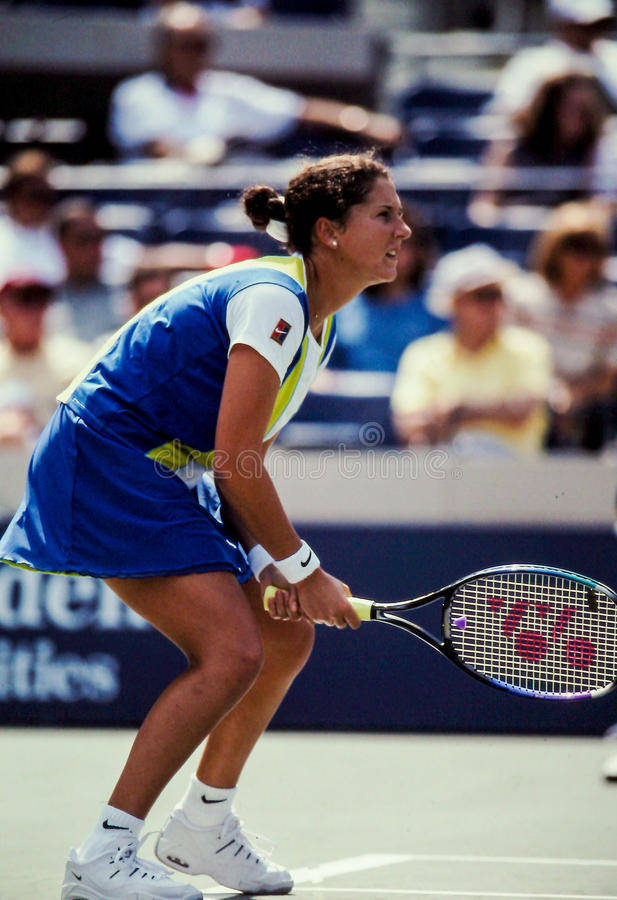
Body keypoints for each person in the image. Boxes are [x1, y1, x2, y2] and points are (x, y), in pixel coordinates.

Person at [0, 152, 411, 899]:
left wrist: (272, 566)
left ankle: (201, 827)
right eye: (383, 215)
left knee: (284, 636)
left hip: (152, 468)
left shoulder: (311, 327)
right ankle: (105, 853)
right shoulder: (274, 301)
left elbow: (232, 466)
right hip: (104, 457)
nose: (402, 230)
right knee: (229, 651)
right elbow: (236, 459)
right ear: (327, 232)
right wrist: (304, 569)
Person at [109, 1, 402, 164]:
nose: (197, 54)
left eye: (203, 44)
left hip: (214, 200)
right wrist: (196, 153)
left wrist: (363, 122)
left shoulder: (225, 89)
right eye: (187, 44)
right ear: (164, 49)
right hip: (157, 204)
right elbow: (155, 147)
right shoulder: (136, 93)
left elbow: (299, 109)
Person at [391, 244, 553, 456]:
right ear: (453, 302)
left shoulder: (530, 348)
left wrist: (455, 411)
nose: (492, 304)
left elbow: (524, 410)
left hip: (515, 479)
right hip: (444, 477)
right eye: (481, 295)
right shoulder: (422, 354)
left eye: (497, 294)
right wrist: (492, 410)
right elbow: (408, 424)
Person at [510, 200, 617, 450]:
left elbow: (610, 374)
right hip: (528, 398)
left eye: (591, 249)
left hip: (590, 409)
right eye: (574, 247)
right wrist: (548, 394)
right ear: (554, 249)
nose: (581, 258)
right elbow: (510, 356)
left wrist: (574, 395)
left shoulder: (609, 309)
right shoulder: (523, 296)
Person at [469, 71, 613, 225]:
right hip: (514, 231)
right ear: (550, 106)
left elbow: (597, 205)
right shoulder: (511, 144)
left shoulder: (596, 149)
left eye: (583, 111)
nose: (576, 117)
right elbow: (484, 205)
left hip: (566, 237)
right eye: (568, 107)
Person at [330, 203, 446, 372]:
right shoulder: (339, 307)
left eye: (403, 242)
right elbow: (321, 372)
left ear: (419, 250)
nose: (392, 250)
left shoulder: (439, 309)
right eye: (381, 241)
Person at [0, 275, 91, 448]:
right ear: (3, 308)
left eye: (41, 301)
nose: (35, 311)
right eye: (25, 301)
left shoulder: (76, 360)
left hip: (57, 464)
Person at [492, 0, 617, 119]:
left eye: (598, 25)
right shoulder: (530, 63)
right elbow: (507, 114)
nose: (591, 31)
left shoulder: (612, 55)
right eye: (582, 26)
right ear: (560, 23)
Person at [50, 198, 124, 343]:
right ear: (61, 244)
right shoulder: (39, 302)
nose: (93, 249)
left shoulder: (126, 297)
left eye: (98, 238)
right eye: (83, 239)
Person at [0, 149, 66, 288]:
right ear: (11, 193)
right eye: (26, 191)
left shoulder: (70, 237)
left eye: (41, 193)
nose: (34, 202)